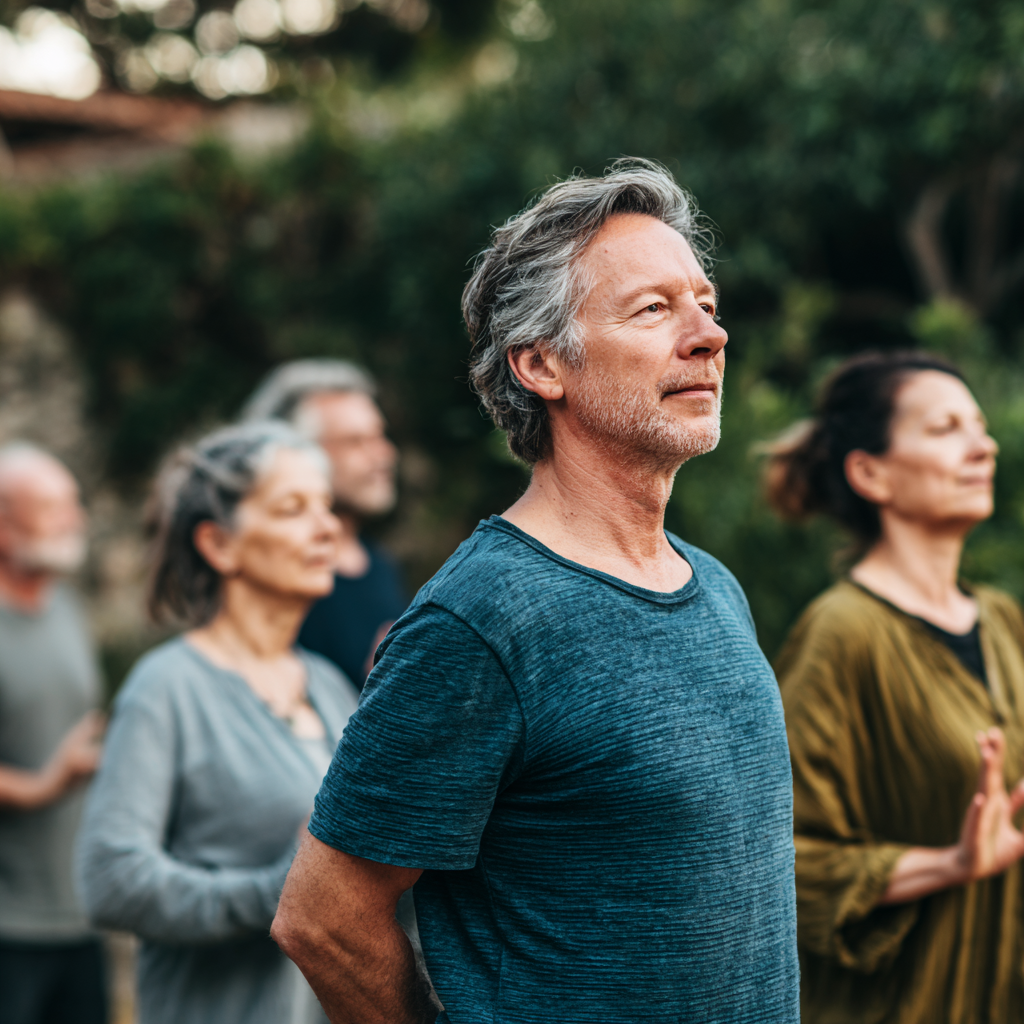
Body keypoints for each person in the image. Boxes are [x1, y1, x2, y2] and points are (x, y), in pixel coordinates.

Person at [271, 158, 800, 1024]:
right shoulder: (482, 619)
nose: (709, 334)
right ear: (542, 365)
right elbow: (322, 921)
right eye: (654, 309)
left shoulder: (716, 588)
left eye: (705, 302)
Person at [766, 351, 1024, 1022]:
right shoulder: (841, 634)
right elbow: (778, 861)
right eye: (945, 429)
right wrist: (949, 863)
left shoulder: (1001, 621)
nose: (983, 445)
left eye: (980, 426)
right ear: (870, 472)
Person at [76, 422, 360, 1024]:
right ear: (219, 544)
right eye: (292, 508)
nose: (327, 527)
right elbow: (111, 877)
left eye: (327, 506)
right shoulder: (168, 688)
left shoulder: (330, 686)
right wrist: (276, 893)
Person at [0, 442, 106, 1024]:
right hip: (9, 924)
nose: (77, 520)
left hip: (78, 914)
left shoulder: (67, 606)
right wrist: (42, 785)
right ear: (3, 524)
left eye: (74, 503)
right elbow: (50, 769)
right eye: (53, 506)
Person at [242, 360, 406, 688]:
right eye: (356, 441)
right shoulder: (272, 579)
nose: (384, 454)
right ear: (296, 453)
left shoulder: (381, 566)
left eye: (380, 435)